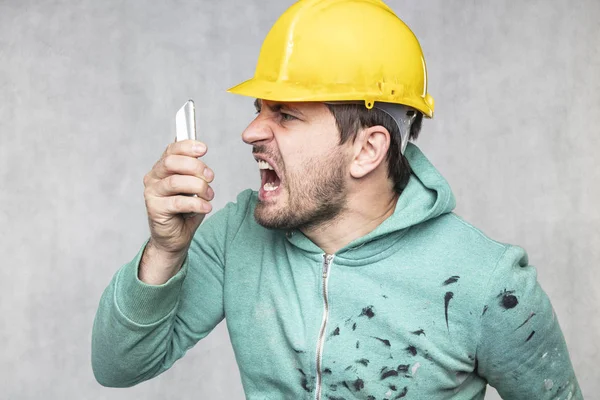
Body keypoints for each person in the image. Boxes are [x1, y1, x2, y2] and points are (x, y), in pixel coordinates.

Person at [91, 0, 582, 399]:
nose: (250, 132)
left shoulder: (486, 282)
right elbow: (118, 367)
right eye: (259, 109)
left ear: (368, 149)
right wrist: (165, 250)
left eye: (284, 114)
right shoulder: (237, 234)